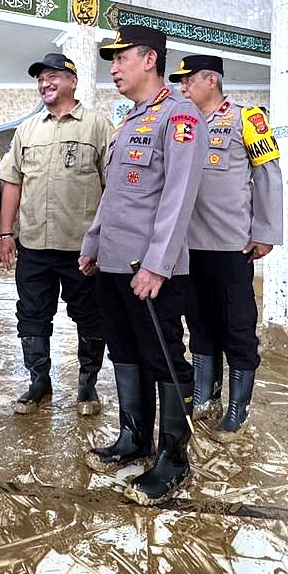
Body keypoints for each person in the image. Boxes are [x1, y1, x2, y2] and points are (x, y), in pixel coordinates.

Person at [80, 25, 206, 506]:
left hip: (153, 269)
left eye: (120, 58)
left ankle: (174, 458)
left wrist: (155, 265)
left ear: (149, 59)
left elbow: (178, 198)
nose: (113, 68)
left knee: (163, 356)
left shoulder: (180, 116)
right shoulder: (129, 120)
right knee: (125, 351)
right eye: (110, 60)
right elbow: (115, 196)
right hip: (114, 263)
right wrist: (92, 242)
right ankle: (135, 439)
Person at [0, 53, 113, 418]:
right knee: (31, 316)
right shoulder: (28, 130)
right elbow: (11, 181)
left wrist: (105, 243)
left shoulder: (97, 126)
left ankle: (87, 386)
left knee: (90, 317)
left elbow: (113, 188)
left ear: (72, 81)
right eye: (41, 78)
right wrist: (5, 233)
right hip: (33, 247)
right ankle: (38, 384)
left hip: (81, 249)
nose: (45, 83)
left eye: (53, 77)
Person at [170, 55, 282, 440]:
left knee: (236, 324)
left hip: (231, 243)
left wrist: (266, 230)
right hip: (189, 243)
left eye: (188, 81)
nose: (183, 88)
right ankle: (206, 396)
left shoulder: (246, 119)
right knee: (198, 320)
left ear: (211, 81)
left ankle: (238, 407)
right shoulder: (183, 124)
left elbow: (267, 176)